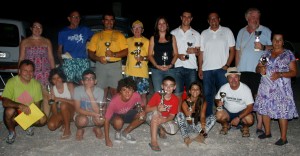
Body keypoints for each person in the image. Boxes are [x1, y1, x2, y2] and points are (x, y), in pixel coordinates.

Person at [254, 33, 298, 146]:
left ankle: (284, 138)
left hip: (282, 87)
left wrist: (280, 74)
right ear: (272, 41)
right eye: (275, 39)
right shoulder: (266, 54)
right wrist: (260, 69)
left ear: (283, 42)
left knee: (282, 111)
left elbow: (294, 72)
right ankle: (267, 132)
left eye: (280, 40)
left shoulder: (288, 54)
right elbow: (257, 68)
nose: (277, 42)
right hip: (266, 86)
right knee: (265, 108)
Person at [235, 8, 272, 135]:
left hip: (258, 70)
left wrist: (262, 51)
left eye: (257, 17)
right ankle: (244, 121)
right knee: (245, 97)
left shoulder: (265, 30)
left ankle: (259, 124)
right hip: (243, 70)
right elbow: (238, 51)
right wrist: (236, 69)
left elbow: (272, 49)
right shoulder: (241, 32)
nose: (255, 20)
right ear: (247, 18)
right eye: (253, 17)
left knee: (258, 97)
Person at [198, 12, 235, 117]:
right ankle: (209, 116)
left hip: (221, 69)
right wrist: (200, 68)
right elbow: (201, 52)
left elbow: (232, 50)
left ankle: (224, 115)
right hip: (207, 69)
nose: (213, 20)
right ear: (208, 21)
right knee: (207, 94)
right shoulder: (204, 33)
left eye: (215, 18)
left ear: (219, 19)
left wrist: (227, 65)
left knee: (223, 94)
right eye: (211, 19)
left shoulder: (227, 31)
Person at [2, 59, 48, 144]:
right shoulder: (12, 82)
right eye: (25, 70)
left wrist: (30, 116)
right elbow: (4, 102)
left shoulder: (36, 84)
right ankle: (12, 132)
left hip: (28, 111)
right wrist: (20, 106)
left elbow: (37, 105)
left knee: (43, 119)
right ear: (19, 71)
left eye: (31, 71)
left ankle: (28, 125)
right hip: (15, 112)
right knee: (9, 111)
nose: (28, 73)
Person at [88, 10, 128, 101]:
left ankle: (116, 112)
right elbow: (90, 53)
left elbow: (126, 51)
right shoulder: (96, 36)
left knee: (116, 91)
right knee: (101, 92)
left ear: (114, 21)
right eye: (106, 20)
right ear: (103, 21)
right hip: (100, 65)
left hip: (115, 65)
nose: (109, 22)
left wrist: (114, 54)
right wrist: (98, 58)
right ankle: (102, 113)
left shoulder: (120, 35)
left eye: (111, 20)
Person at [18, 20, 55, 118]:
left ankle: (45, 117)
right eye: (35, 27)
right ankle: (32, 118)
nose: (37, 29)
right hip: (30, 73)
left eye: (40, 27)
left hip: (45, 72)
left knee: (46, 95)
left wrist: (54, 72)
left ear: (42, 29)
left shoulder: (47, 41)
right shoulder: (25, 42)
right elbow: (21, 58)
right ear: (31, 28)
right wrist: (19, 72)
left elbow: (51, 58)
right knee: (30, 95)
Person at [171, 10, 201, 111]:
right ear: (181, 18)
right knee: (178, 94)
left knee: (193, 94)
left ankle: (192, 115)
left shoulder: (196, 34)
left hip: (191, 67)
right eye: (184, 16)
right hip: (177, 66)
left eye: (189, 17)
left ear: (191, 19)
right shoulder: (173, 33)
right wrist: (178, 55)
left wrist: (195, 50)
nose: (186, 19)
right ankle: (179, 116)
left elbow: (200, 52)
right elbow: (170, 52)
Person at [104, 77, 145, 147]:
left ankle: (125, 132)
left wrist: (142, 111)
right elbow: (106, 120)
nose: (127, 92)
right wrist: (107, 139)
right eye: (124, 90)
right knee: (118, 122)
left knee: (142, 116)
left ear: (133, 90)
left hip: (127, 113)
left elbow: (141, 105)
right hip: (116, 115)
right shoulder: (114, 101)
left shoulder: (136, 95)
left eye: (130, 90)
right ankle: (118, 131)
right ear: (120, 91)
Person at [215, 67, 254, 137]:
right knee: (218, 115)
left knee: (250, 119)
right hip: (228, 112)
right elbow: (217, 98)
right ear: (227, 79)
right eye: (230, 77)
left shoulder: (246, 89)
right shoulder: (224, 87)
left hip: (242, 113)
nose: (233, 80)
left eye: (235, 77)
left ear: (239, 78)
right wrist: (218, 102)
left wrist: (238, 118)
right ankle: (225, 125)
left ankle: (244, 127)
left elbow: (250, 107)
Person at [57, 10, 94, 84]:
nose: (76, 19)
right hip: (69, 61)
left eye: (78, 17)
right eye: (73, 17)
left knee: (84, 83)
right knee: (69, 83)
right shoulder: (63, 32)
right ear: (69, 19)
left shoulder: (85, 30)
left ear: (80, 19)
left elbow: (96, 40)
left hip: (82, 61)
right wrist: (62, 62)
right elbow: (59, 50)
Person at [175, 81, 216, 146]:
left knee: (213, 117)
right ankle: (186, 137)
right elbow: (189, 120)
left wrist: (203, 126)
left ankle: (201, 135)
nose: (195, 90)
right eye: (193, 89)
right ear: (189, 91)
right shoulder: (185, 103)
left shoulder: (203, 102)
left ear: (200, 91)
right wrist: (190, 109)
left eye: (197, 89)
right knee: (179, 114)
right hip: (188, 125)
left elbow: (202, 116)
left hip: (197, 125)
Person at [145, 76, 179, 152]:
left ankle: (160, 128)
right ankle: (153, 141)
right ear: (162, 86)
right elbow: (146, 109)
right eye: (166, 85)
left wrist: (164, 120)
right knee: (156, 113)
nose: (168, 88)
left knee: (173, 130)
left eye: (171, 86)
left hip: (164, 118)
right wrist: (157, 108)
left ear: (174, 87)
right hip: (151, 117)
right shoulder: (157, 95)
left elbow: (172, 115)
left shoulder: (175, 99)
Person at [148, 16, 178, 94]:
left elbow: (176, 54)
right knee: (158, 93)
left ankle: (169, 106)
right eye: (159, 24)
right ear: (157, 26)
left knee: (169, 93)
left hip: (170, 69)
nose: (162, 25)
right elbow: (150, 55)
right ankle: (159, 106)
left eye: (163, 23)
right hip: (156, 70)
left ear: (167, 25)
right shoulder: (153, 38)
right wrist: (157, 66)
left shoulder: (172, 37)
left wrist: (170, 65)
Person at [73, 69, 105, 141]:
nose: (89, 81)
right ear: (82, 82)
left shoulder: (100, 91)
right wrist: (92, 114)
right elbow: (77, 109)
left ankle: (97, 127)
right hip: (81, 114)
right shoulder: (77, 90)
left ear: (95, 81)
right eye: (86, 79)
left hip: (94, 114)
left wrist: (90, 95)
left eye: (91, 78)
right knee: (82, 120)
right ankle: (80, 129)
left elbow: (97, 111)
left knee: (101, 120)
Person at [125, 20, 150, 105]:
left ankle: (142, 115)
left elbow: (151, 57)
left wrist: (143, 58)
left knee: (143, 95)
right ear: (132, 30)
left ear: (142, 30)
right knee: (129, 95)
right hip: (130, 73)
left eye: (139, 27)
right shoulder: (127, 41)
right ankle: (130, 114)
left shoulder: (147, 42)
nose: (137, 29)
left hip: (142, 73)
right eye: (134, 27)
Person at [47, 68, 75, 140]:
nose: (57, 80)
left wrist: (59, 99)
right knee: (51, 126)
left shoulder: (69, 85)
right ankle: (64, 122)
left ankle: (67, 129)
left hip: (73, 112)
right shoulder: (52, 89)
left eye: (58, 77)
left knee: (63, 104)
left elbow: (75, 103)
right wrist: (52, 102)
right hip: (61, 112)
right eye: (54, 78)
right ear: (51, 80)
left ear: (62, 77)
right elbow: (54, 112)